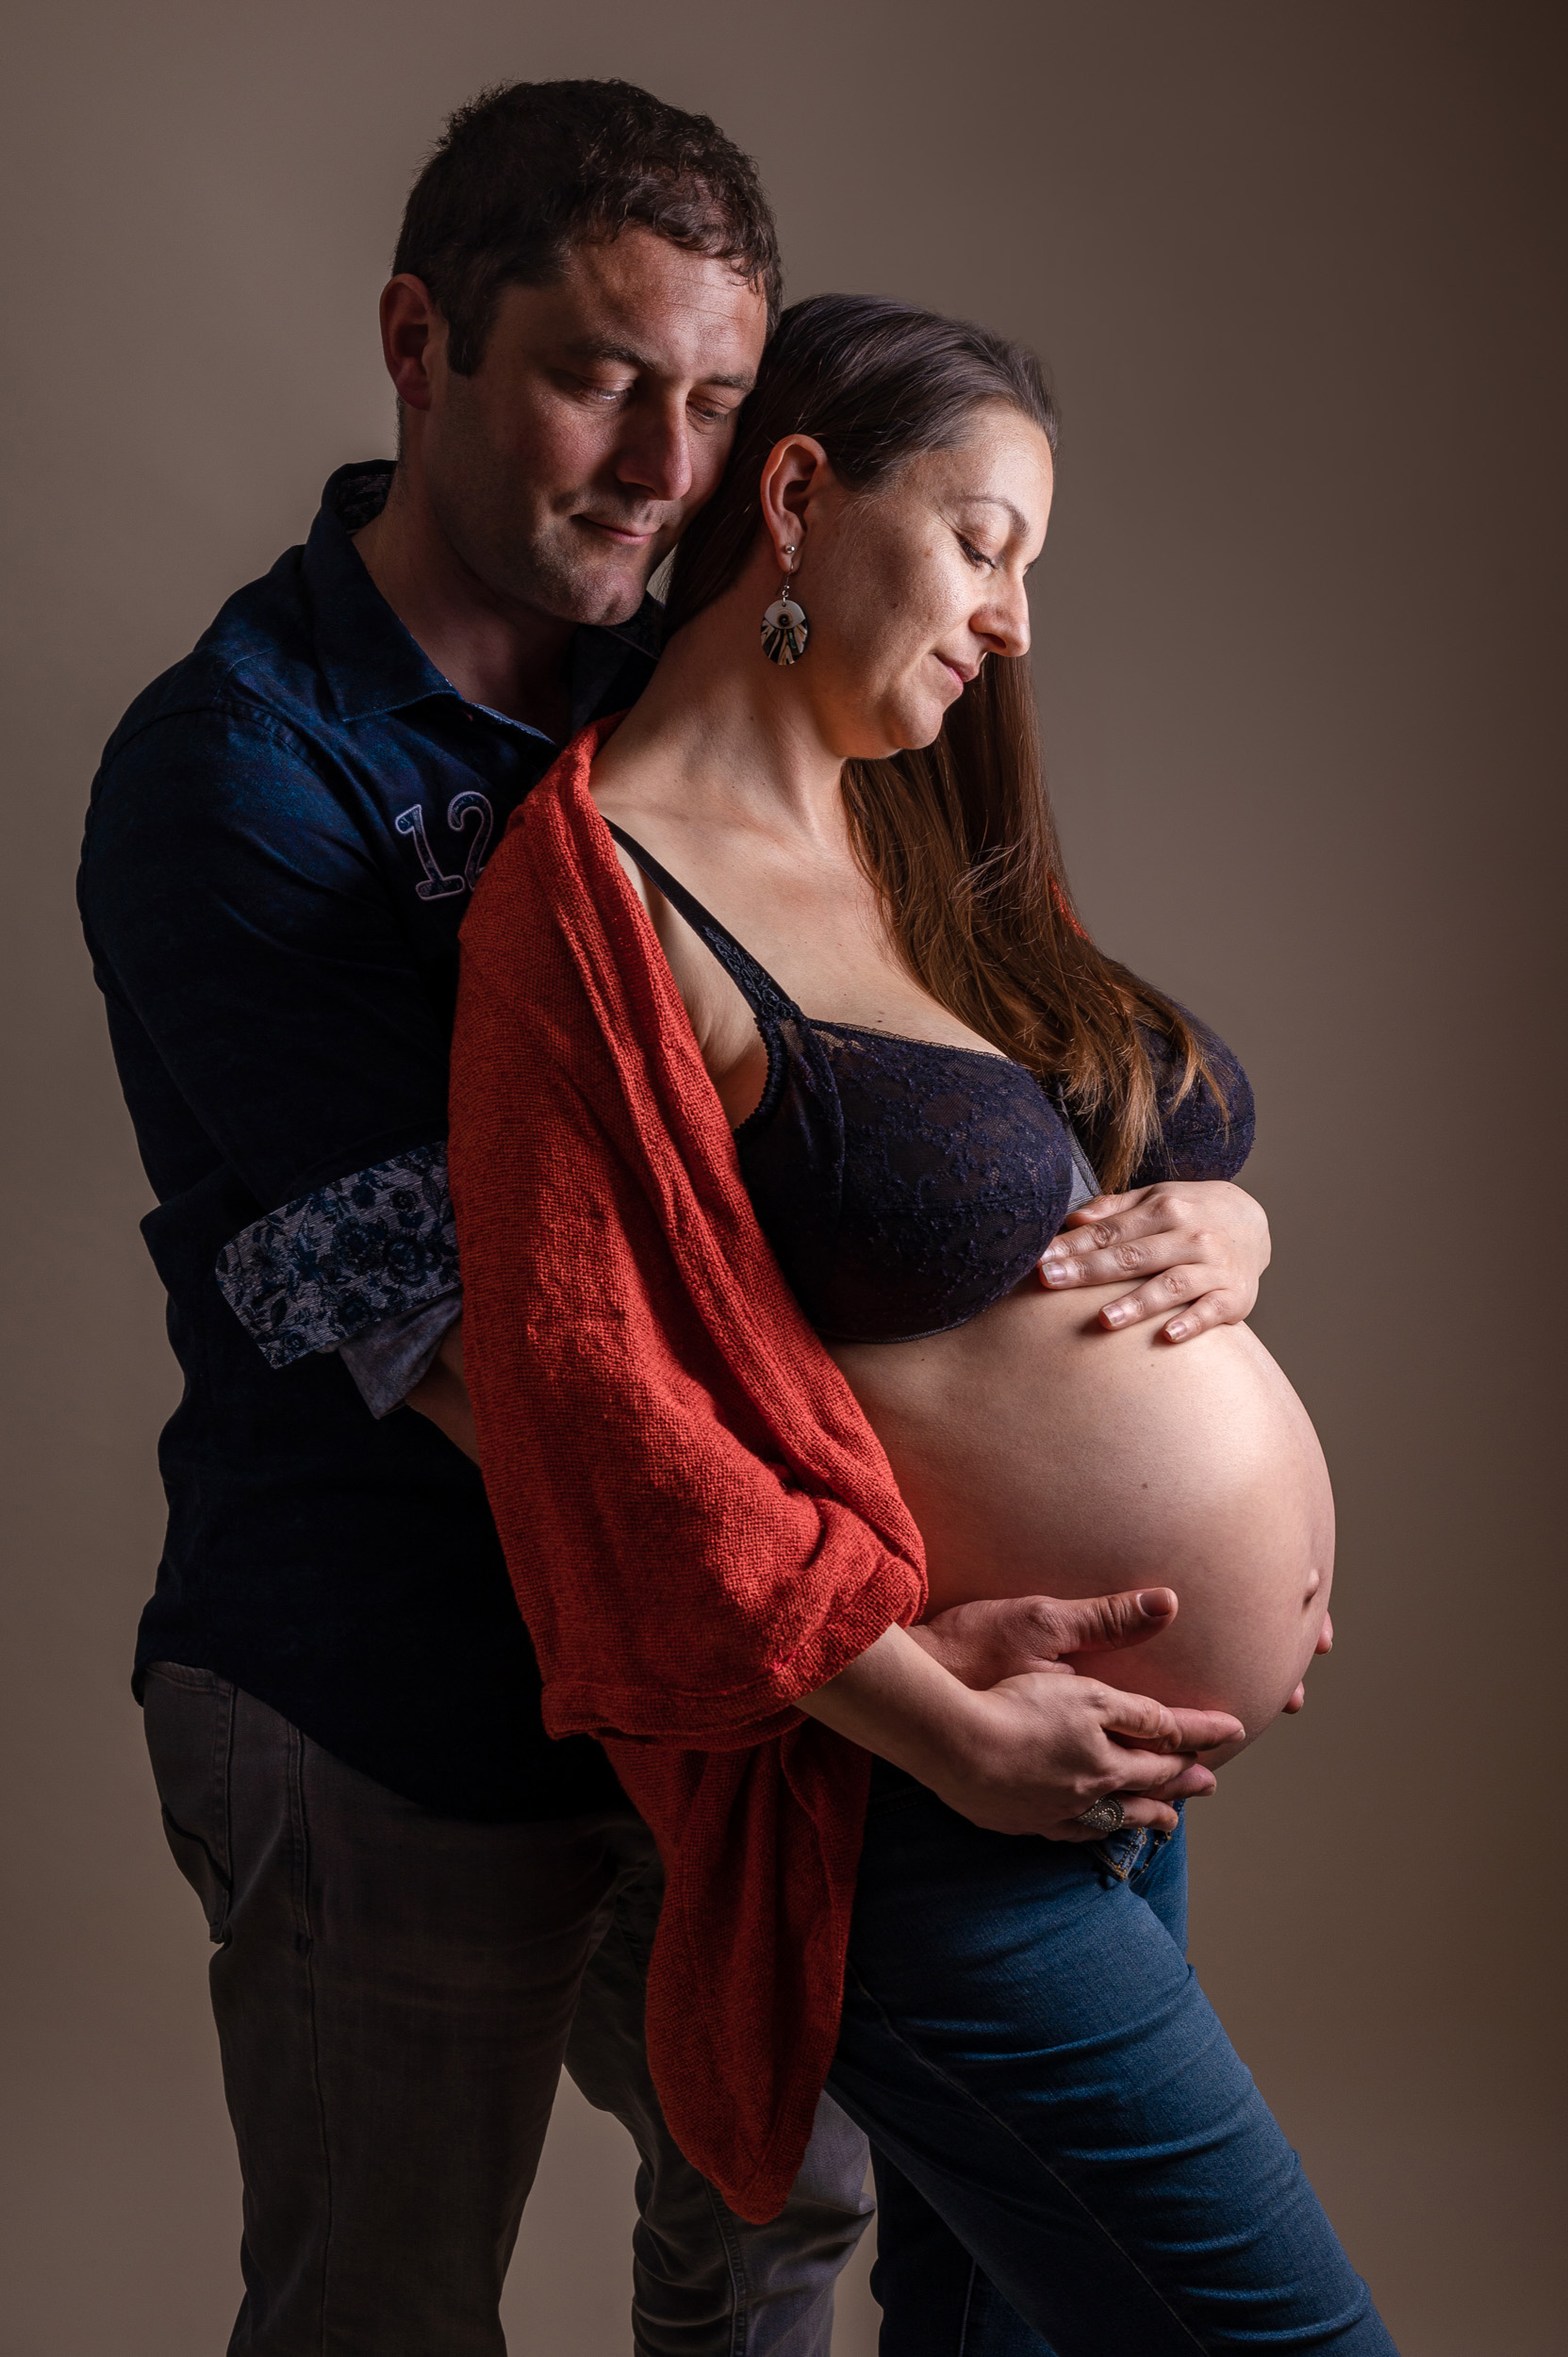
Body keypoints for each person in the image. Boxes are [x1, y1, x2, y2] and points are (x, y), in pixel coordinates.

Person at [447, 294, 1391, 2353]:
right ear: (798, 497)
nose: (1012, 622)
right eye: (983, 545)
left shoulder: (904, 838)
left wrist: (1229, 1225)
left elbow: (1126, 1133)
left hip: (1104, 1783)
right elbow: (595, 1413)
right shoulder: (597, 902)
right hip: (919, 1806)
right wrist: (943, 1723)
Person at [82, 78, 895, 2357]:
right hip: (382, 1686)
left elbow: (907, 1068)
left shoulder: (693, 681)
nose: (664, 466)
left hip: (695, 1675)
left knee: (790, 2198)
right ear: (417, 341)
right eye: (600, 379)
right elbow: (479, 1341)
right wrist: (886, 1675)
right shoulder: (237, 766)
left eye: (714, 403)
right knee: (386, 2307)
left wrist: (1191, 1215)